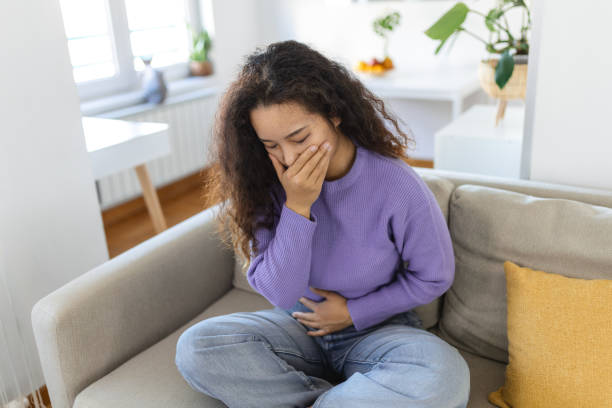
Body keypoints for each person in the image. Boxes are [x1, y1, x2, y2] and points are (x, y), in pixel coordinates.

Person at [175, 40, 470, 408]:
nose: (288, 157)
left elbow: (435, 275)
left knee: (444, 375)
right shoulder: (263, 186)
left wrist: (352, 312)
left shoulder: (396, 184)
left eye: (300, 138)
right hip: (298, 326)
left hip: (378, 332)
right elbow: (281, 294)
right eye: (271, 145)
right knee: (197, 347)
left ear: (333, 114)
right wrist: (298, 205)